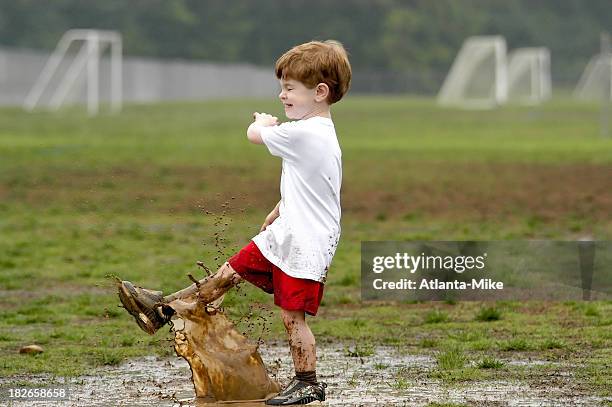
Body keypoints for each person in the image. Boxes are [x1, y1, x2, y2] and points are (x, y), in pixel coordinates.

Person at [118, 40, 351, 406]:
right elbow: (316, 184)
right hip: (286, 231)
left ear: (320, 92)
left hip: (306, 243)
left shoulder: (304, 132)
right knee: (227, 274)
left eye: (290, 88)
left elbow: (254, 135)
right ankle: (161, 311)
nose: (281, 95)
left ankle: (308, 381)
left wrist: (261, 122)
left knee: (293, 318)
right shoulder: (317, 133)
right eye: (282, 87)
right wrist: (281, 207)